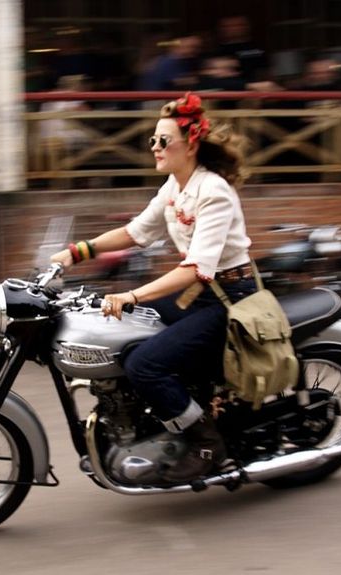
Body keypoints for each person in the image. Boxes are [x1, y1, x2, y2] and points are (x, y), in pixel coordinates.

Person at [51, 93, 254, 482]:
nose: (156, 148)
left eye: (164, 141)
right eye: (153, 141)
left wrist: (131, 295)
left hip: (229, 300)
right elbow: (135, 231)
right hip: (200, 297)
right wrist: (78, 251)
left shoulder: (213, 191)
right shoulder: (175, 187)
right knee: (126, 332)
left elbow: (197, 269)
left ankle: (207, 444)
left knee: (144, 364)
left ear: (190, 143)